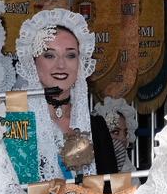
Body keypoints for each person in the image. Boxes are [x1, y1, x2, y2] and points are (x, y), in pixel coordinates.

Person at [14, 10, 118, 179]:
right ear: (33, 62)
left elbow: (110, 192)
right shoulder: (18, 126)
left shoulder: (96, 127)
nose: (61, 65)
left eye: (70, 55)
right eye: (49, 55)